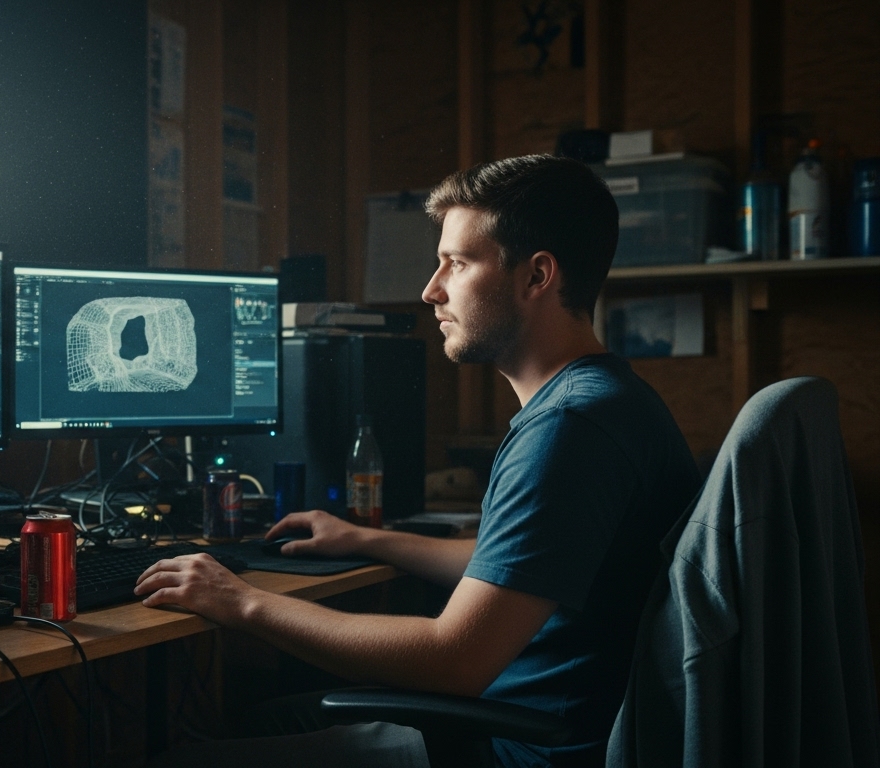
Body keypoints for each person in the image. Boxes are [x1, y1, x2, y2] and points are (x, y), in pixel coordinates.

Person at [135, 155, 701, 768]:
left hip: (522, 748)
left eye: (456, 262)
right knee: (266, 718)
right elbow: (511, 568)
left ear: (537, 276)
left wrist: (242, 600)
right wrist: (372, 538)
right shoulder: (609, 399)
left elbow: (452, 659)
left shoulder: (568, 428)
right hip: (538, 720)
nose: (432, 289)